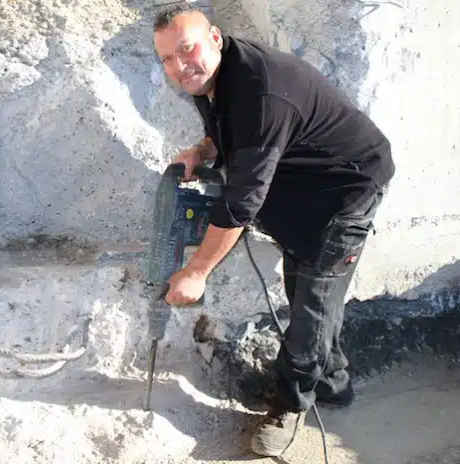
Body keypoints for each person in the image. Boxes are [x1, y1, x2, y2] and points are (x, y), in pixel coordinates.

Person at [152, 4, 395, 458]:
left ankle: (290, 404)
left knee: (312, 305)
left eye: (187, 50)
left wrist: (197, 270)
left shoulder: (263, 93)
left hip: (349, 187)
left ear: (216, 39)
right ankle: (332, 382)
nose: (179, 66)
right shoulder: (211, 79)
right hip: (302, 189)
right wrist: (201, 149)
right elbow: (230, 132)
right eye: (166, 58)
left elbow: (242, 202)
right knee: (302, 288)